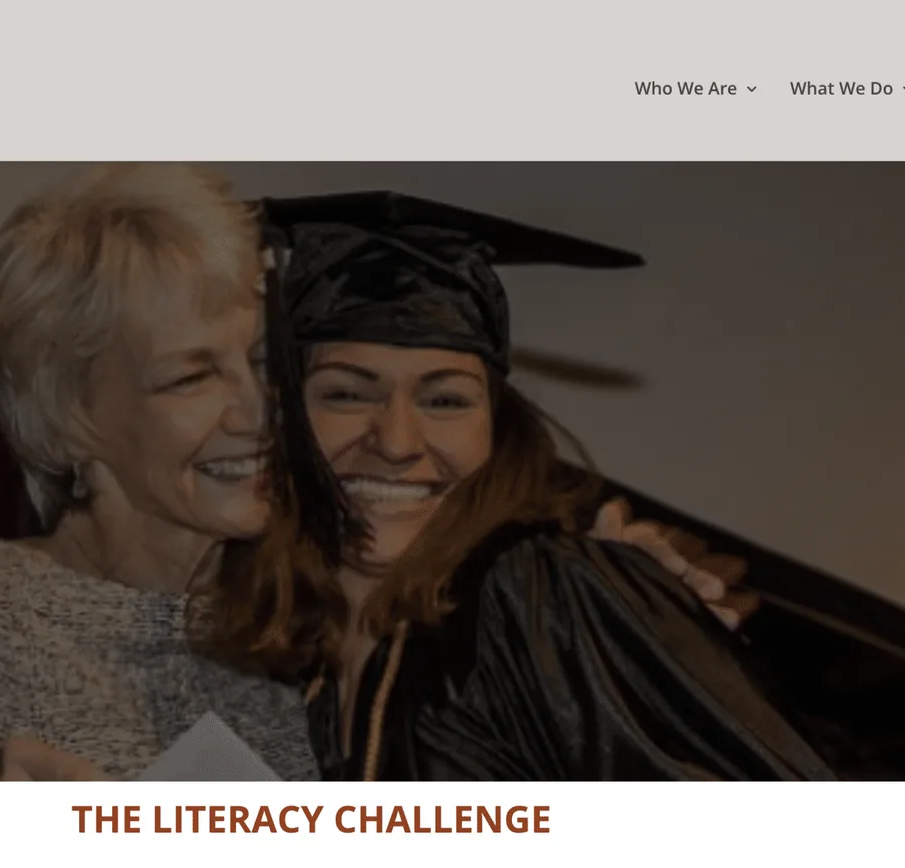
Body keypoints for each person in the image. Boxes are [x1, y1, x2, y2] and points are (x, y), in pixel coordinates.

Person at [0, 165, 764, 782]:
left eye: (260, 363)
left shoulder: (312, 619)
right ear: (74, 414)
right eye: (191, 375)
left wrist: (620, 623)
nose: (256, 411)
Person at [197, 191, 837, 781]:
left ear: (496, 428)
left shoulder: (541, 594)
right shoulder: (302, 677)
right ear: (283, 422)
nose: (396, 442)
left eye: (445, 401)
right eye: (345, 395)